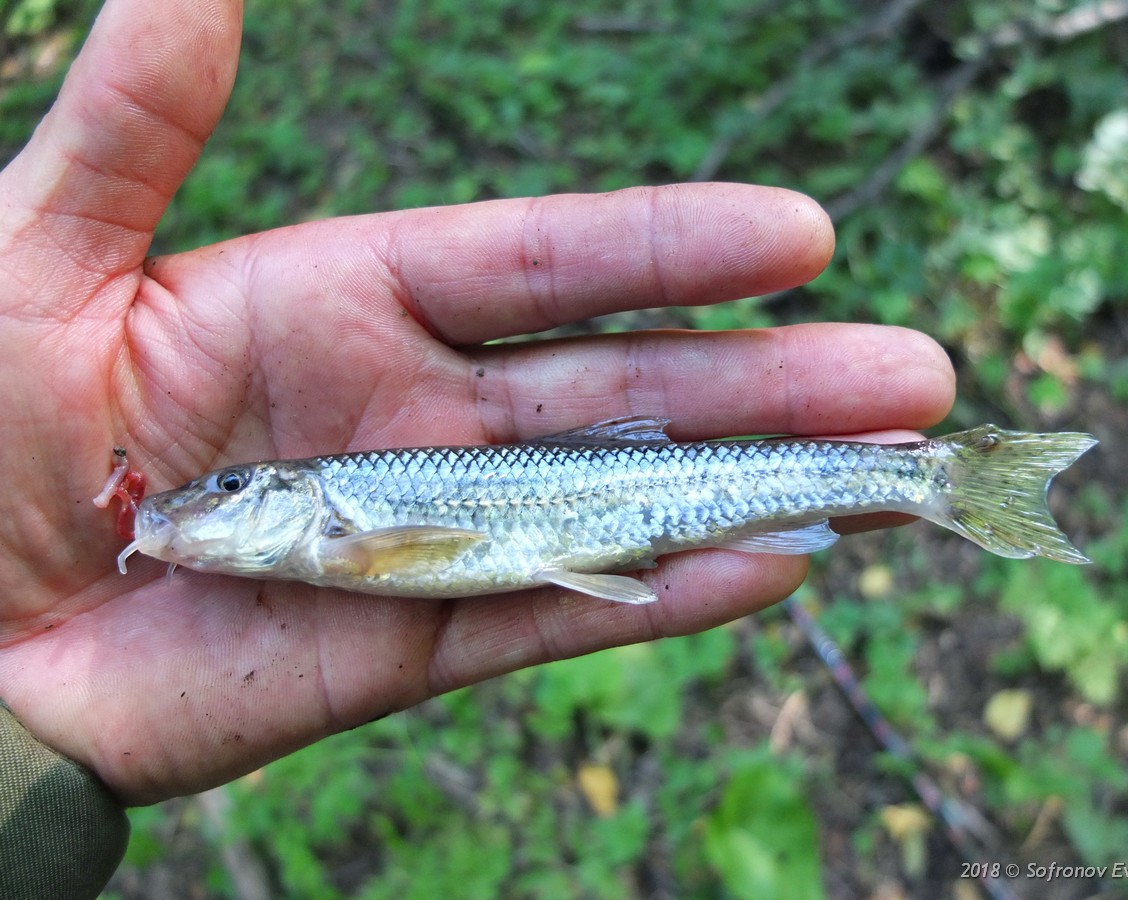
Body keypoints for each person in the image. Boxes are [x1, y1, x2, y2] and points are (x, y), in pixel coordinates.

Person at [0, 1, 954, 896]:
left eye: (236, 487)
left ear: (289, 494)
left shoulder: (339, 530)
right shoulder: (316, 541)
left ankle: (926, 477)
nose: (201, 505)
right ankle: (920, 478)